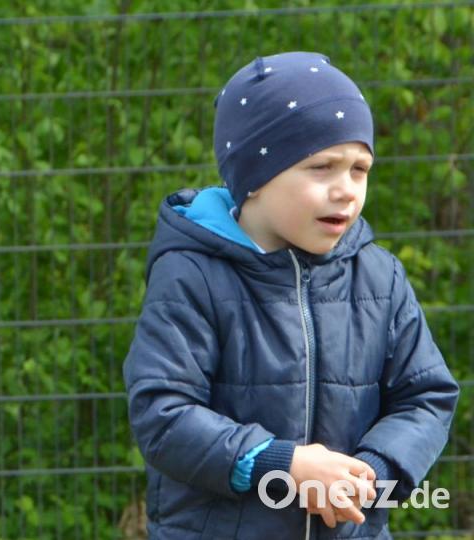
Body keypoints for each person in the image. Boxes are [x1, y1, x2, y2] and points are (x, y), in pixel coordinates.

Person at [123, 51, 459, 539]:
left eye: (359, 169)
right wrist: (284, 467)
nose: (347, 190)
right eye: (322, 167)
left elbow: (426, 396)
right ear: (254, 178)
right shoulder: (191, 273)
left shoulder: (379, 277)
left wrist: (367, 475)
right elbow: (163, 414)